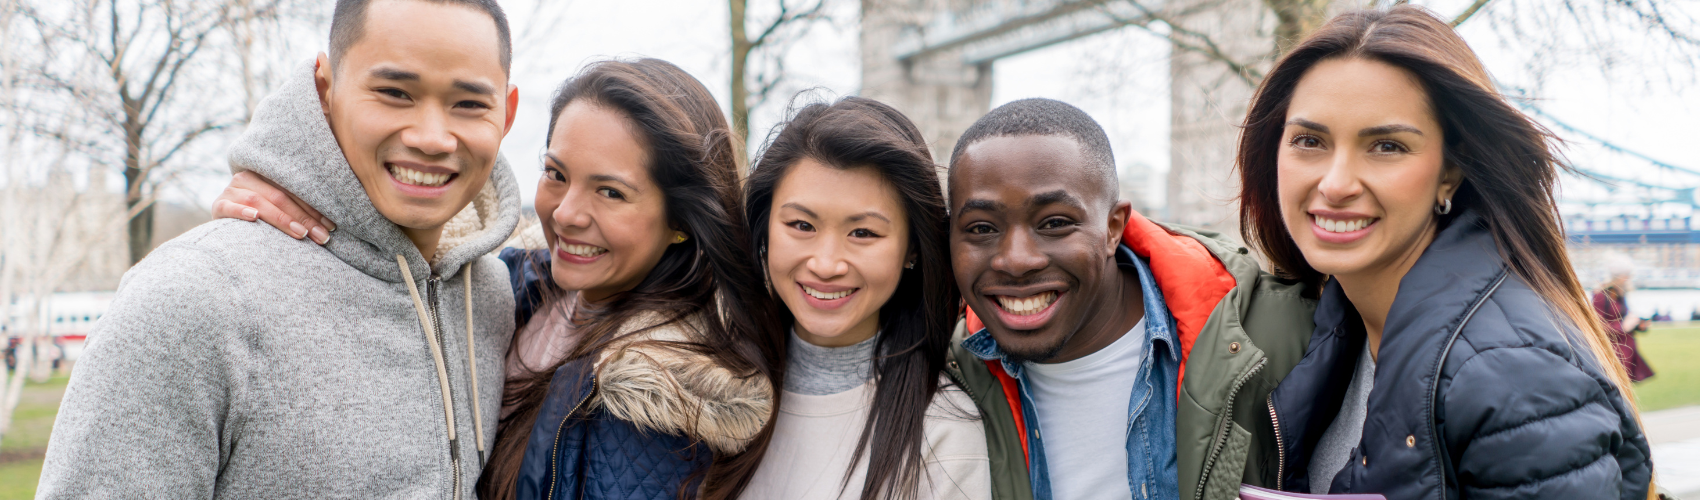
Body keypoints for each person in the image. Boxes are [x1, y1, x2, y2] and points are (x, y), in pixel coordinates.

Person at [39, 0, 523, 497]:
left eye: (468, 104)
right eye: (394, 92)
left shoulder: (493, 296)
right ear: (324, 88)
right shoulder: (194, 297)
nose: (431, 138)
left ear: (506, 114)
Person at [1237, 7, 1651, 499]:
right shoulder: (1322, 330)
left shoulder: (1510, 375)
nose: (1336, 183)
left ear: (1449, 173)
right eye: (1309, 140)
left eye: (1386, 146)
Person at [944, 98, 1316, 500]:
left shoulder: (1284, 338)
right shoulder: (939, 379)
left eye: (1054, 223)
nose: (1017, 261)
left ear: (1113, 227)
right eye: (981, 228)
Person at [739, 97, 990, 499]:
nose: (825, 264)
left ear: (912, 249)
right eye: (801, 225)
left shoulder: (944, 430)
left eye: (863, 233)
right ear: (764, 228)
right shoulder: (702, 392)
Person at [1594, 267, 1655, 382]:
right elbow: (1597, 327)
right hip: (1613, 351)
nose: (1628, 280)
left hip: (1625, 350)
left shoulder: (1619, 295)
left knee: (1623, 388)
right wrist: (1622, 327)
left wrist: (1639, 325)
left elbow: (1623, 318)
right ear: (1618, 277)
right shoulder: (1601, 296)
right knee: (1614, 387)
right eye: (1627, 276)